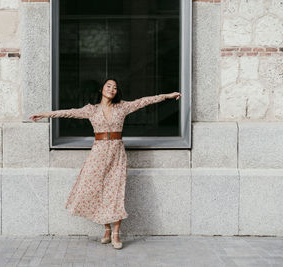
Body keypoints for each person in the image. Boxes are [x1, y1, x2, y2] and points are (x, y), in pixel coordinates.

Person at [30, 78, 181, 249]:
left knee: (115, 192)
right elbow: (68, 112)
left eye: (115, 87)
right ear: (102, 90)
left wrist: (167, 96)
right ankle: (107, 229)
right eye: (108, 86)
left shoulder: (122, 107)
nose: (112, 89)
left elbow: (144, 101)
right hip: (98, 154)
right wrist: (44, 115)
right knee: (98, 191)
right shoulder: (92, 110)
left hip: (117, 153)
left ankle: (116, 234)